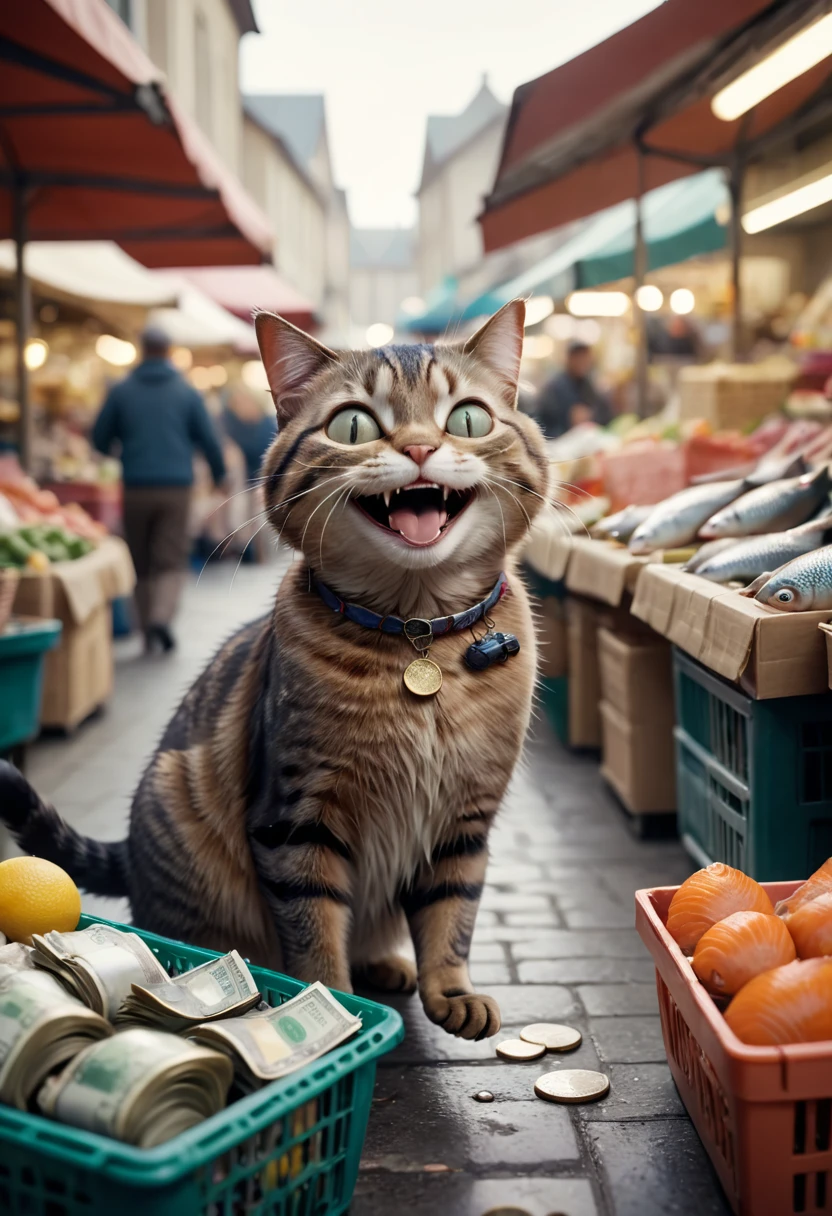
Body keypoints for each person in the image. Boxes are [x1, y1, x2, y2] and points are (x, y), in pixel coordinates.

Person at [93, 326, 226, 653]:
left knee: (140, 558)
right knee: (170, 557)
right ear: (169, 351)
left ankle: (146, 629)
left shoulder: (121, 390)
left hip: (135, 485)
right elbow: (209, 440)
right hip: (176, 487)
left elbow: (98, 436)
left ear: (142, 348)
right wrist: (220, 474)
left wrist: (123, 451)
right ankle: (161, 618)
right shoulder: (186, 391)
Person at [534, 340, 613, 438]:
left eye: (585, 356)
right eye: (578, 356)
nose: (582, 361)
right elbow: (542, 424)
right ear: (569, 358)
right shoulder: (553, 388)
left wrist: (591, 416)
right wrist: (568, 420)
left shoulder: (590, 386)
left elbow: (605, 415)